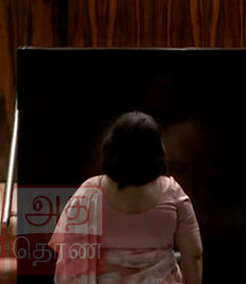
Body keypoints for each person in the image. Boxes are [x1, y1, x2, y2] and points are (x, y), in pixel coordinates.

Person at [49, 111, 203, 284]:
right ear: (158, 151)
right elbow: (193, 253)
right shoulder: (172, 191)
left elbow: (70, 255)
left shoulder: (90, 192)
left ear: (111, 148)